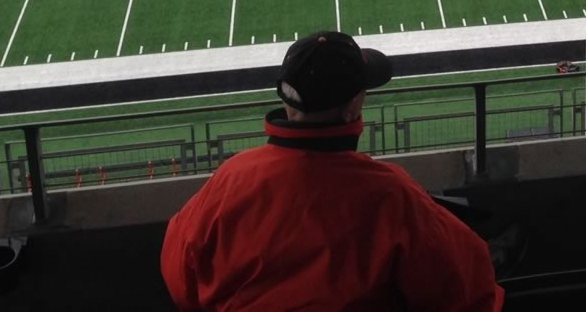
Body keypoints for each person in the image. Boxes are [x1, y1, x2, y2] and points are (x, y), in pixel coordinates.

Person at [162, 32, 504, 311]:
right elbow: (472, 291)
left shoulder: (230, 179)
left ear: (286, 99)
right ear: (354, 105)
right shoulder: (390, 195)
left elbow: (179, 275)